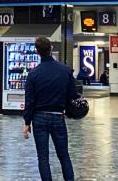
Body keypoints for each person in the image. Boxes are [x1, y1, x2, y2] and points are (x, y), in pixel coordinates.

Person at [23, 37, 79, 181]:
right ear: (51, 48)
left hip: (39, 119)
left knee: (43, 158)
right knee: (64, 156)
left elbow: (29, 101)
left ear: (37, 52)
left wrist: (27, 122)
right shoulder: (65, 70)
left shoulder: (33, 74)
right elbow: (73, 94)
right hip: (58, 117)